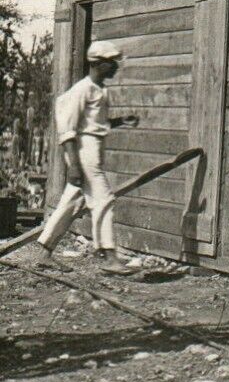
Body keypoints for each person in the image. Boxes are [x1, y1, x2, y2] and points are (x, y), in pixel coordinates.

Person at [9, 41, 140, 275]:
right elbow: (68, 129)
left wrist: (121, 121)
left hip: (94, 148)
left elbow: (95, 125)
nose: (115, 67)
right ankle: (108, 255)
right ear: (98, 63)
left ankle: (44, 252)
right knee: (104, 199)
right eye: (111, 63)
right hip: (83, 151)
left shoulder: (101, 90)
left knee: (73, 201)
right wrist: (74, 165)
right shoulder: (82, 89)